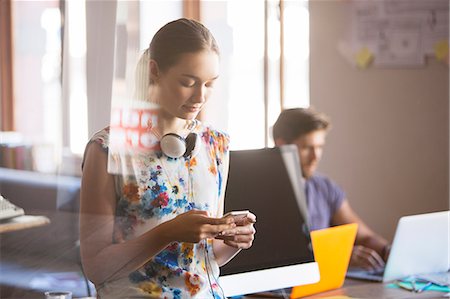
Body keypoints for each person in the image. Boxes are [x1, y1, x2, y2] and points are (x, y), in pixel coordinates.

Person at [80, 18, 256, 298]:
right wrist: (167, 232)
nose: (200, 96)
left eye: (210, 84)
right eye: (188, 82)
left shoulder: (215, 144)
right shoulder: (107, 148)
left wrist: (232, 241)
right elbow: (96, 268)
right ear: (155, 71)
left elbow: (203, 260)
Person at [272, 107, 390, 271]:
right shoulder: (265, 192)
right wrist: (338, 255)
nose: (315, 157)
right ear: (281, 145)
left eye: (319, 147)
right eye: (307, 148)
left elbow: (362, 236)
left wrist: (387, 251)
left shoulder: (325, 187)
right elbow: (279, 253)